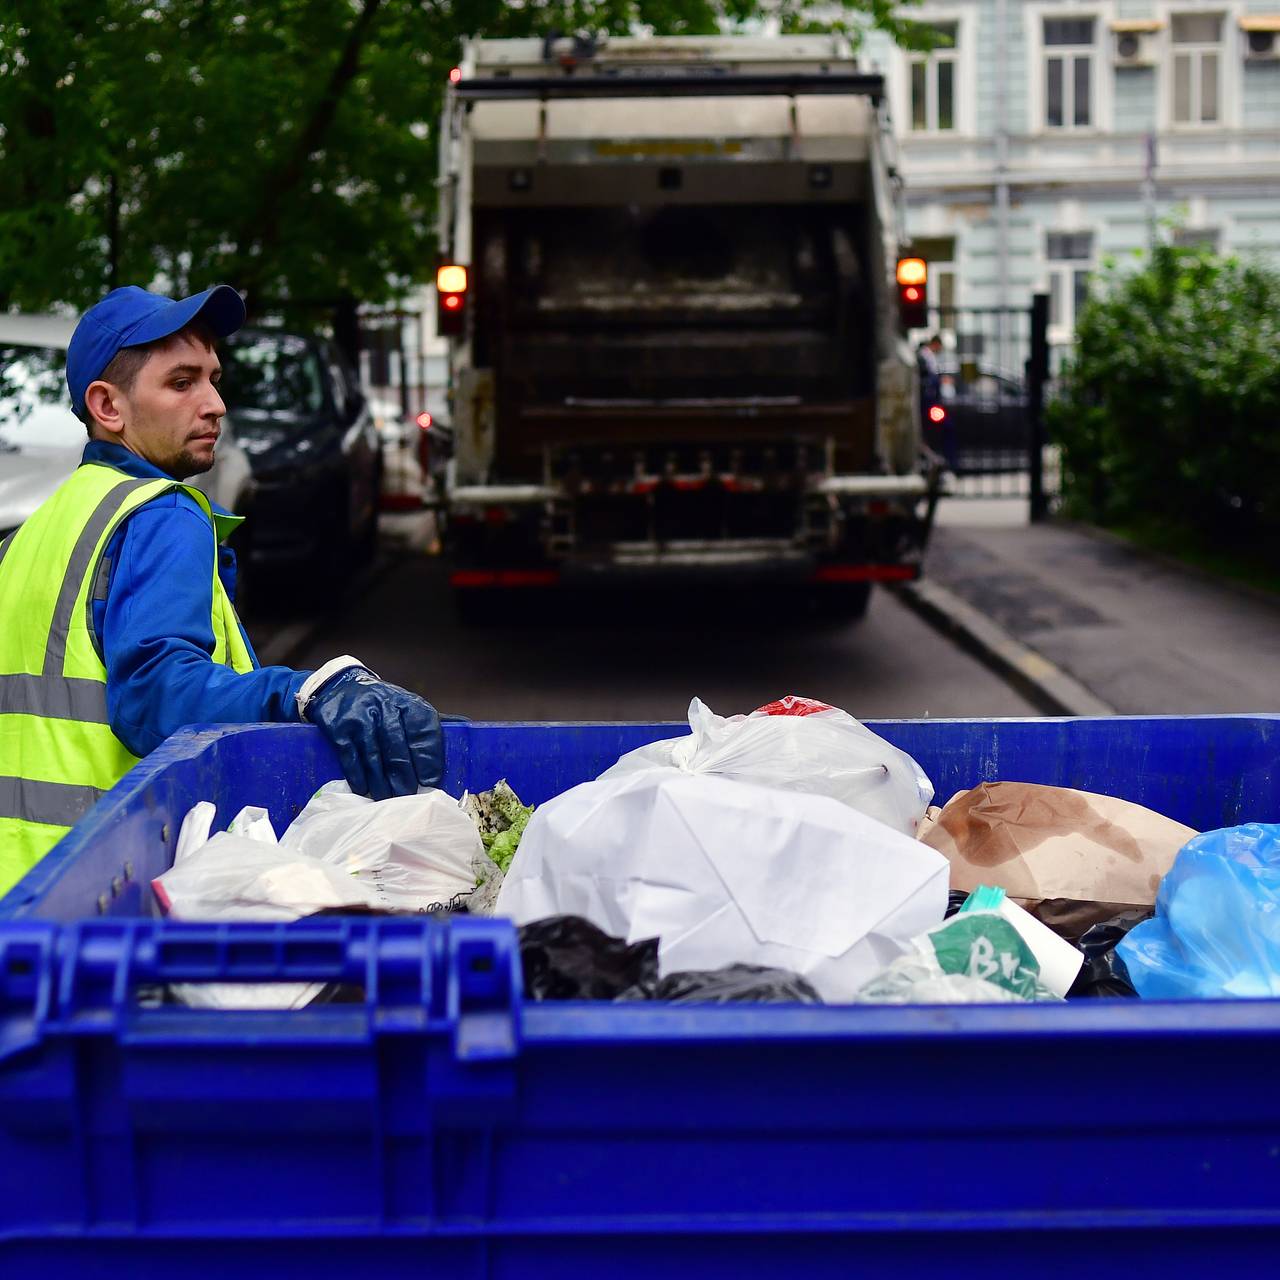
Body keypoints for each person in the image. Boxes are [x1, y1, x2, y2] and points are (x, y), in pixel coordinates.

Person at [0, 285, 446, 892]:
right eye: (182, 383)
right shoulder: (160, 514)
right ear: (108, 406)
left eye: (212, 378)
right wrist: (305, 692)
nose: (215, 404)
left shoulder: (34, 533)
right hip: (104, 885)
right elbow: (157, 696)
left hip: (26, 894)